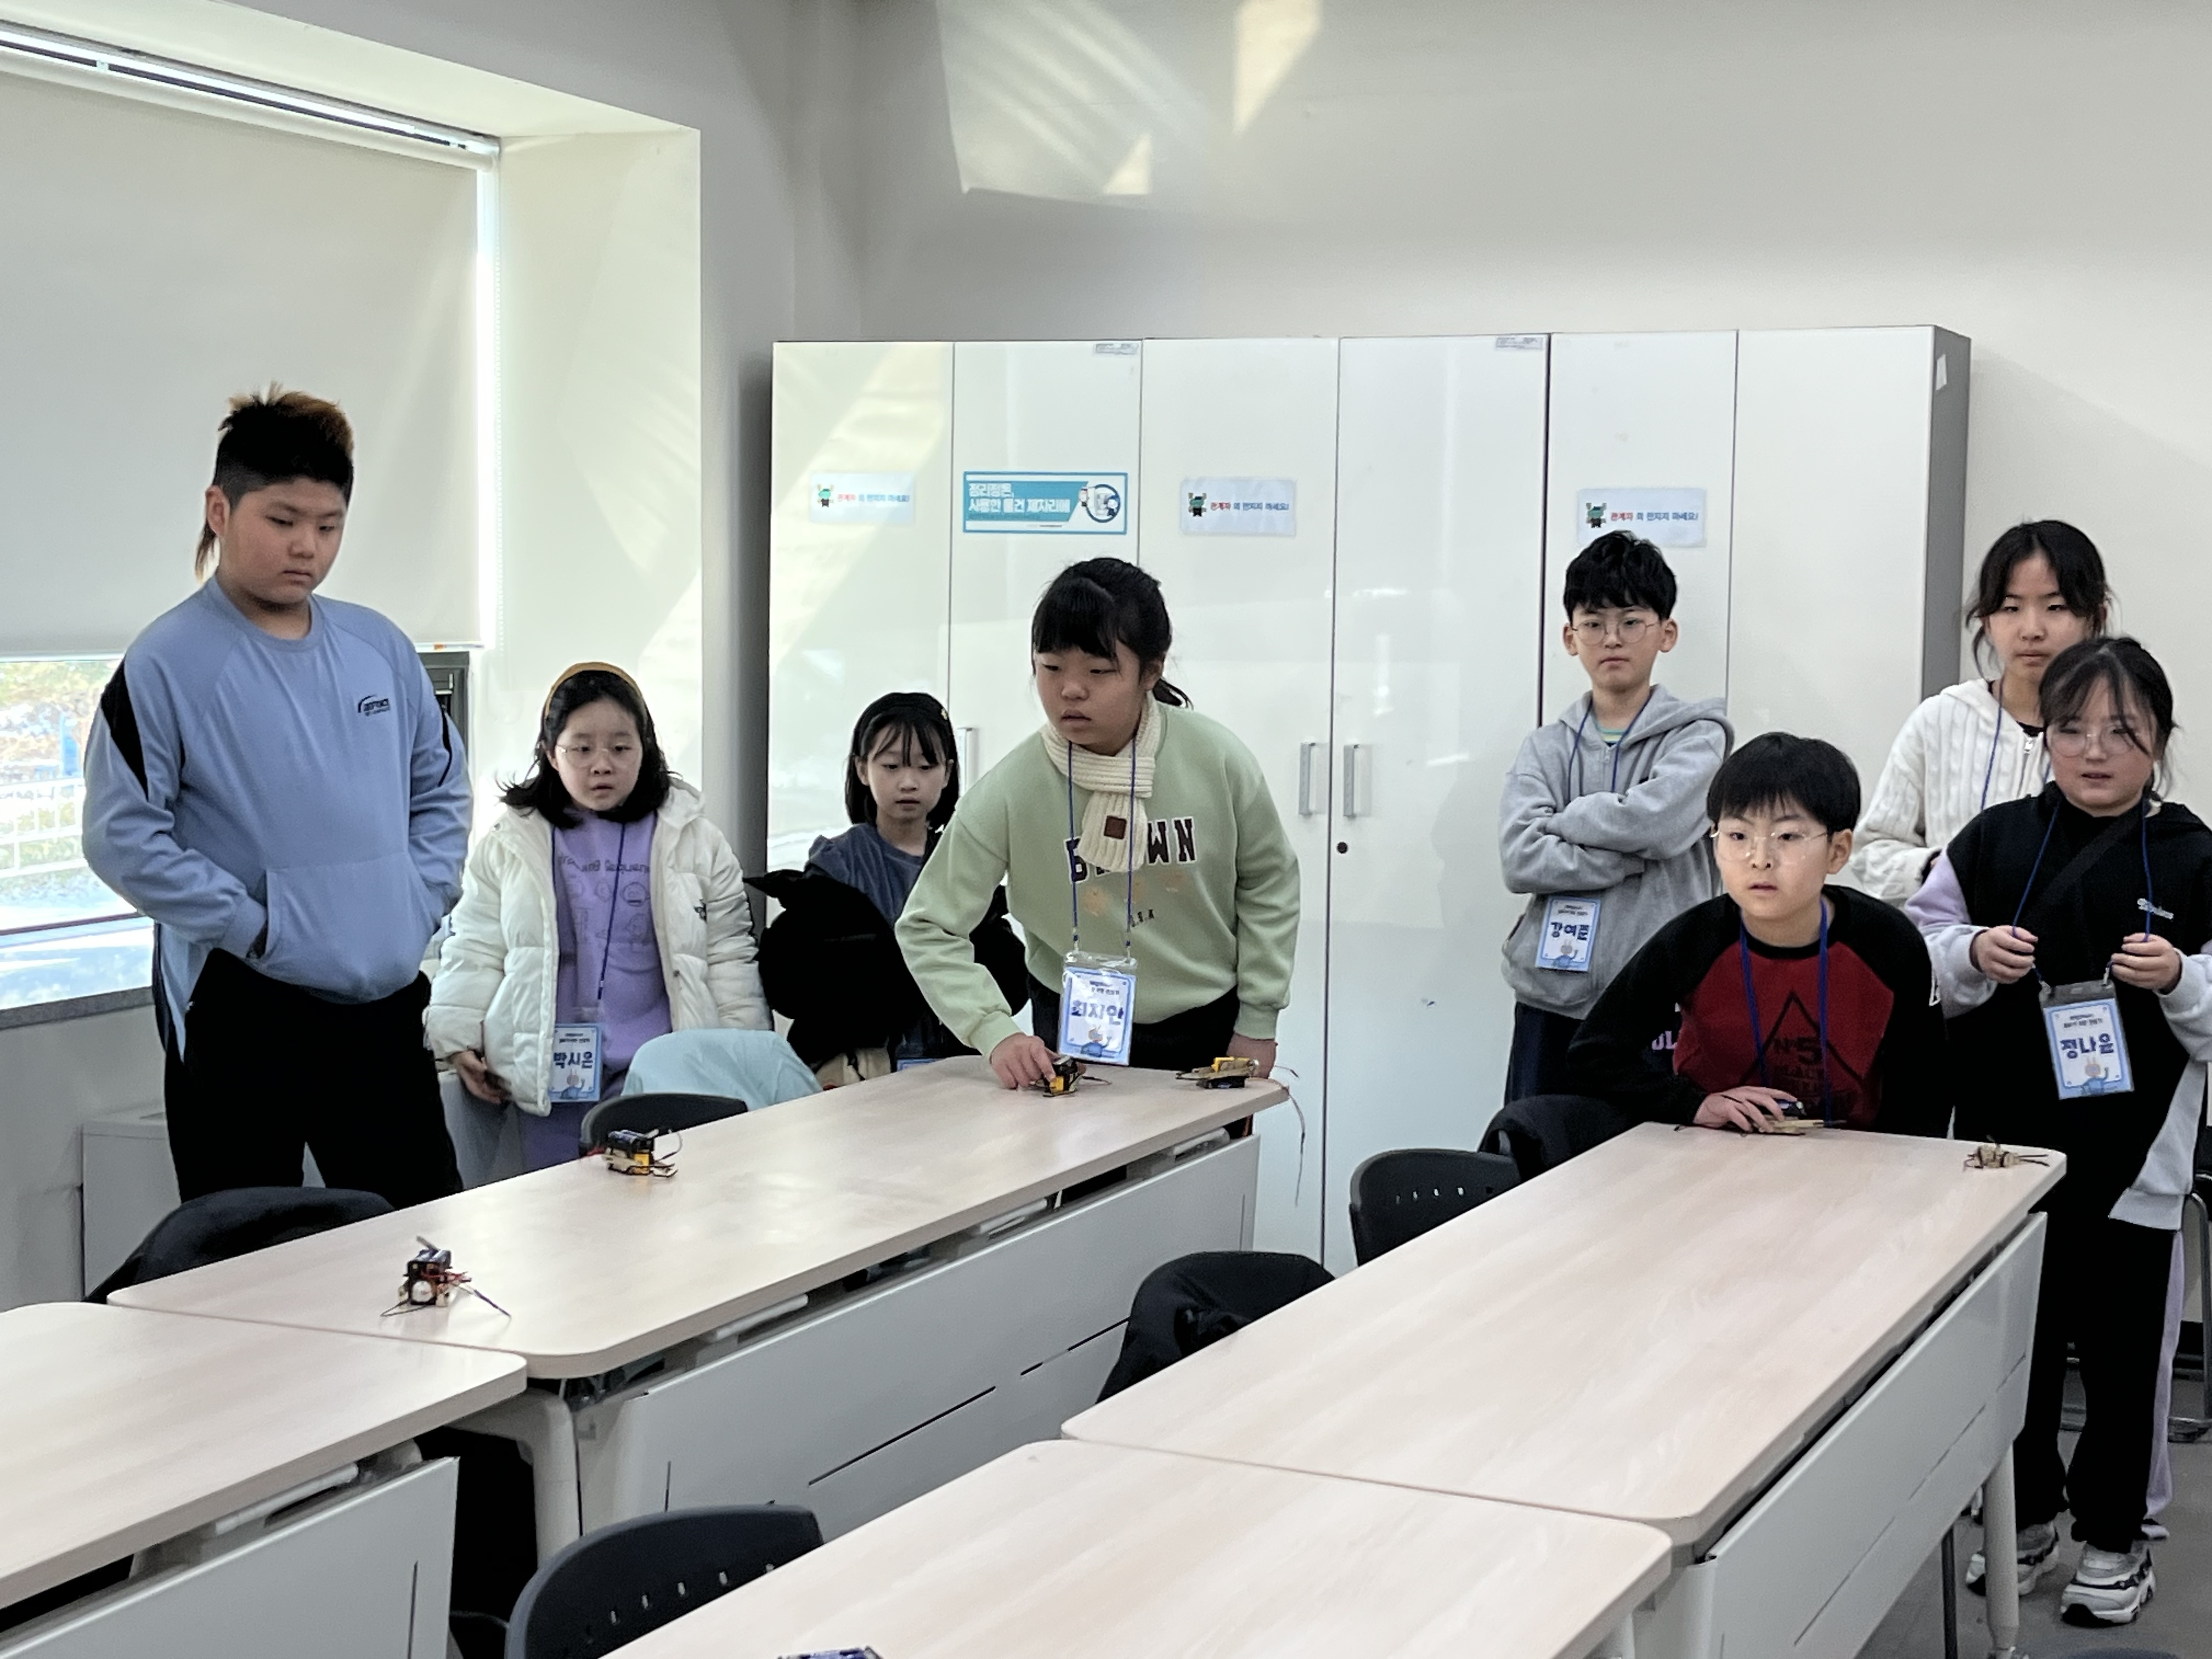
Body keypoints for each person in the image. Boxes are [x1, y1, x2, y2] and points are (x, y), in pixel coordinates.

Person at [83, 388, 471, 1207]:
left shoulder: (378, 646)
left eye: (329, 526)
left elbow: (441, 788)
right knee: (246, 1250)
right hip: (242, 1005)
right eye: (284, 520)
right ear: (219, 510)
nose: (308, 547)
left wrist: (418, 899)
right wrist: (256, 928)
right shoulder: (167, 662)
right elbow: (122, 837)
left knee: (421, 1236)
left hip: (382, 1000)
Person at [1906, 637, 2212, 1626]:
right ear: (2045, 738)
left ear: (2158, 739)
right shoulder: (1993, 840)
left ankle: (2116, 1540)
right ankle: (2023, 1519)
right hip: (2004, 1159)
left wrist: (2183, 978)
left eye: (2121, 731)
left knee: (2123, 1367)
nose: (2094, 750)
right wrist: (1969, 951)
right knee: (2015, 1358)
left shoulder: (2195, 855)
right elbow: (1917, 948)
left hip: (2135, 1164)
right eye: (2072, 729)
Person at [896, 558, 1300, 1087]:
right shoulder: (1012, 789)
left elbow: (1269, 882)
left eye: (1098, 671)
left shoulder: (1216, 759)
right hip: (1076, 1036)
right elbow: (928, 926)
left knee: (1206, 1146)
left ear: (1150, 672)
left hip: (1209, 1029)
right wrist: (993, 1031)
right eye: (1051, 667)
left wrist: (1259, 1020)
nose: (1070, 690)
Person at [425, 664, 770, 1169]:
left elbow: (727, 954)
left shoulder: (693, 838)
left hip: (663, 1067)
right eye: (581, 749)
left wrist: (741, 1049)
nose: (602, 765)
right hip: (551, 1070)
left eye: (620, 748)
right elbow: (477, 945)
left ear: (645, 749)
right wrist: (456, 1037)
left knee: (662, 1203)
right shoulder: (513, 841)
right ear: (551, 753)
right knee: (563, 1208)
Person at [1567, 732, 1948, 1136]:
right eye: (1738, 836)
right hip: (1717, 1146)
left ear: (1838, 851)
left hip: (1857, 1152)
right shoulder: (1692, 941)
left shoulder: (1889, 942)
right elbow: (1594, 1054)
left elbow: (1928, 1085)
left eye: (1788, 837)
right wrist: (1693, 1105)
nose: (1760, 859)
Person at [1499, 531, 1732, 1101]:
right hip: (1551, 998)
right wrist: (1633, 856)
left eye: (1631, 621)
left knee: (1655, 1153)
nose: (1612, 638)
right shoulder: (1545, 747)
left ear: (1666, 633)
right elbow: (1521, 858)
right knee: (1542, 1147)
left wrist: (1566, 821)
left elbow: (1657, 825)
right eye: (1594, 622)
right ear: (1570, 637)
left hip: (1662, 999)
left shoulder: (1700, 738)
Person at [752, 692, 1027, 1087]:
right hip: (860, 1072)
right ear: (862, 769)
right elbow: (798, 983)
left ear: (947, 773)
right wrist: (928, 965)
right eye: (892, 766)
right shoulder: (838, 863)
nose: (909, 782)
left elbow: (1010, 980)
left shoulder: (964, 860)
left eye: (926, 766)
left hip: (954, 1069)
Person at [1848, 521, 2110, 902]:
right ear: (1986, 620)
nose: (2031, 629)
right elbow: (1872, 851)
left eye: (2056, 607)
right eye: (2010, 608)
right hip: (1947, 938)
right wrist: (1941, 869)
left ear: (2096, 617)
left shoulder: (2114, 734)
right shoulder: (1940, 719)